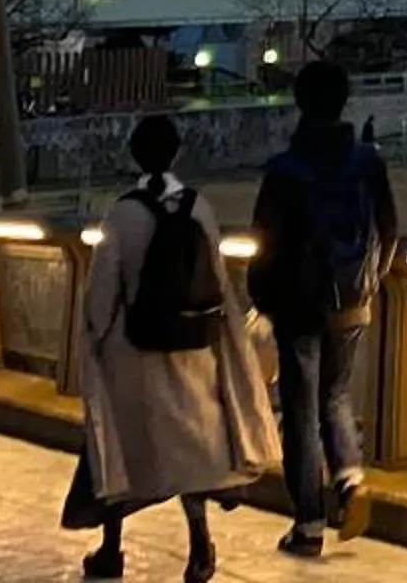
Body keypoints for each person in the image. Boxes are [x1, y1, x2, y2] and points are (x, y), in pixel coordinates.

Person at [73, 113, 274, 581]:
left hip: (135, 350)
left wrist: (95, 339)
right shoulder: (199, 208)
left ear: (134, 155)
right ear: (177, 153)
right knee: (191, 451)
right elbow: (219, 283)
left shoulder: (123, 212)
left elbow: (103, 291)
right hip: (194, 348)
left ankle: (111, 551)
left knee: (124, 449)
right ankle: (199, 544)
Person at [247, 59, 401, 557]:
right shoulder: (368, 163)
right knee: (336, 395)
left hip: (297, 303)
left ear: (300, 103)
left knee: (300, 408)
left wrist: (261, 297)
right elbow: (389, 226)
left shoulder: (284, 169)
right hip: (353, 298)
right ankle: (351, 478)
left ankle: (309, 524)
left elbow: (265, 241)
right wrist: (371, 280)